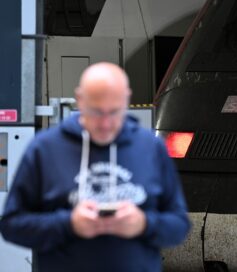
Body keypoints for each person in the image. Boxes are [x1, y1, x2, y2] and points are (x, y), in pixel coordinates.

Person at [0, 62, 191, 272]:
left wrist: (143, 224)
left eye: (114, 112)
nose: (105, 123)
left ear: (127, 99)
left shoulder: (150, 148)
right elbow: (11, 225)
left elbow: (180, 226)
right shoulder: (45, 149)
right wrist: (68, 224)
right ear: (80, 100)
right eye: (96, 112)